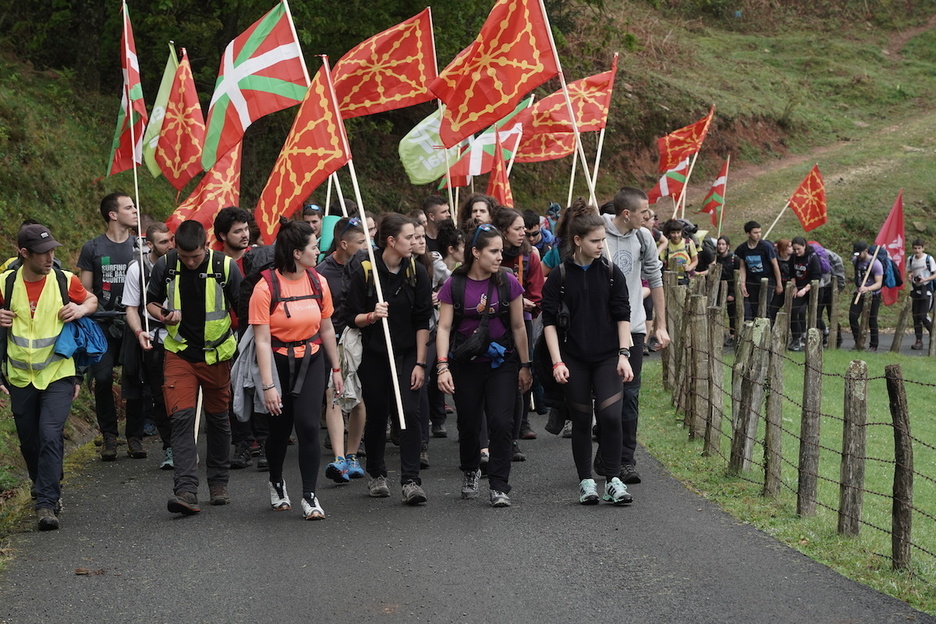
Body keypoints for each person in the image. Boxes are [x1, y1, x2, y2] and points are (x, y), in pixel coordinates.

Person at [0, 224, 97, 530]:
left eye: (53, 251)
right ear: (24, 253)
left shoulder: (63, 279)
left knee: (49, 434)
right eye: (43, 253)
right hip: (19, 376)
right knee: (29, 443)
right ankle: (42, 482)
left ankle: (46, 503)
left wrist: (79, 310)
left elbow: (92, 301)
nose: (50, 257)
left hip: (58, 371)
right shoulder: (6, 282)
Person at [541, 200, 635, 506]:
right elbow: (550, 323)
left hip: (608, 355)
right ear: (578, 240)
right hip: (573, 358)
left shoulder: (611, 273)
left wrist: (624, 354)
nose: (601, 246)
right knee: (581, 421)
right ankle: (586, 482)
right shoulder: (559, 276)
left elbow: (623, 314)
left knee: (610, 417)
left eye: (603, 240)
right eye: (595, 241)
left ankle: (613, 480)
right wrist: (557, 361)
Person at [146, 220, 243, 515]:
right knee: (182, 420)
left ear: (207, 246)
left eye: (196, 257)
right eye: (185, 256)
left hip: (216, 356)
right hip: (179, 353)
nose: (189, 262)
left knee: (217, 420)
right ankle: (186, 490)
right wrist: (164, 316)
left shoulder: (226, 267)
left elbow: (245, 309)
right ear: (175, 245)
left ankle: (218, 482)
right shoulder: (166, 265)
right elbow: (150, 303)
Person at [251, 221, 343, 520]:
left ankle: (309, 495)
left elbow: (327, 328)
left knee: (307, 426)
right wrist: (268, 386)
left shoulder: (318, 282)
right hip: (277, 362)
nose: (319, 252)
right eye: (314, 247)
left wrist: (337, 368)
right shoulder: (265, 287)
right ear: (295, 253)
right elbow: (261, 341)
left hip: (312, 358)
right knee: (279, 431)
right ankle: (277, 484)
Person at [435, 224, 532, 507]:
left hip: (501, 363)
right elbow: (443, 327)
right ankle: (470, 470)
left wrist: (525, 365)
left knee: (502, 422)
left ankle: (499, 485)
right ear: (475, 252)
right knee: (468, 422)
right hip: (466, 363)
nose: (500, 256)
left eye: (501, 251)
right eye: (493, 251)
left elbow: (518, 326)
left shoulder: (508, 282)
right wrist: (442, 366)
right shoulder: (455, 284)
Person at [343, 213, 433, 505]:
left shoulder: (417, 272)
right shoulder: (364, 270)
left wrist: (421, 363)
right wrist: (372, 315)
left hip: (407, 353)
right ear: (391, 241)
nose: (415, 242)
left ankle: (410, 480)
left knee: (410, 411)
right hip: (375, 354)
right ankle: (377, 474)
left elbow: (423, 320)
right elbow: (350, 318)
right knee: (378, 414)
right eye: (409, 237)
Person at [596, 187, 669, 485]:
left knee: (630, 395)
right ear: (627, 213)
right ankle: (604, 446)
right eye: (644, 213)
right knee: (602, 397)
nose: (649, 217)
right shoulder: (596, 229)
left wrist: (661, 324)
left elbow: (656, 278)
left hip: (634, 328)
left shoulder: (644, 238)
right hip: (600, 328)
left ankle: (625, 460)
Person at [78, 192, 141, 461]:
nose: (135, 211)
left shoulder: (140, 247)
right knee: (102, 379)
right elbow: (84, 291)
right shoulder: (92, 248)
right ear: (113, 214)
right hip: (102, 325)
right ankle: (109, 436)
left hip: (132, 322)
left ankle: (135, 436)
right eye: (129, 207)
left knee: (135, 378)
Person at [316, 217, 368, 481]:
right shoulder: (322, 272)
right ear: (343, 243)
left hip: (358, 339)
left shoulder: (367, 266)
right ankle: (338, 459)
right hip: (332, 340)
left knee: (358, 398)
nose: (365, 246)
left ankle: (352, 454)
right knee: (333, 395)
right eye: (361, 242)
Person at [123, 222, 175, 470]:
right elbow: (131, 308)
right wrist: (138, 332)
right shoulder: (137, 269)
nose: (170, 245)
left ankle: (186, 444)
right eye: (164, 242)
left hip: (184, 337)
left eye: (171, 240)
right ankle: (170, 447)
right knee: (160, 395)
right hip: (153, 337)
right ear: (150, 245)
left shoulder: (181, 262)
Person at [493, 207, 544, 449]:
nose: (523, 233)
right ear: (503, 232)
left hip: (521, 321)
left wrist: (522, 302)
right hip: (492, 320)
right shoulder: (489, 254)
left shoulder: (530, 256)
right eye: (517, 229)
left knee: (523, 370)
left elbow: (536, 297)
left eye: (524, 228)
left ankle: (520, 424)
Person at [213, 206, 258, 469]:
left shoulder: (258, 258)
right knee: (234, 388)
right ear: (222, 235)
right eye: (237, 231)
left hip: (257, 331)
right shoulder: (215, 262)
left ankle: (262, 441)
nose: (244, 235)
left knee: (260, 385)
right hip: (225, 334)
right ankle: (242, 443)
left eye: (246, 229)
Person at [427, 220, 464, 439]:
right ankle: (437, 418)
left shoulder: (463, 271)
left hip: (456, 328)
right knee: (435, 371)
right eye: (463, 247)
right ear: (452, 249)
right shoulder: (435, 264)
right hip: (437, 326)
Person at [736, 220, 783, 322]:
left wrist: (779, 283)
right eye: (755, 232)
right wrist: (743, 283)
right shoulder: (742, 249)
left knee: (764, 307)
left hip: (767, 279)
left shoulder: (766, 247)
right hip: (752, 280)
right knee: (754, 308)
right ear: (748, 234)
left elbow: (775, 265)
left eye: (759, 232)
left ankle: (767, 332)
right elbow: (742, 266)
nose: (758, 235)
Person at [848, 240, 883, 352]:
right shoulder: (855, 261)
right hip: (859, 293)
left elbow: (879, 283)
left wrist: (867, 288)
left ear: (865, 251)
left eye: (859, 254)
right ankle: (859, 342)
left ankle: (873, 345)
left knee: (872, 320)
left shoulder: (875, 264)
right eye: (855, 254)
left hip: (873, 295)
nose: (857, 256)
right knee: (852, 317)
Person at [788, 237, 821, 351]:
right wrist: (794, 286)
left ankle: (817, 337)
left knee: (815, 314)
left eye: (799, 249)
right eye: (794, 249)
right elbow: (791, 273)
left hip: (812, 288)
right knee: (794, 311)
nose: (797, 252)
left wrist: (805, 289)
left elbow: (816, 277)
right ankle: (796, 338)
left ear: (804, 246)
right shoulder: (793, 257)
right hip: (799, 287)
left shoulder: (813, 257)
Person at [907, 239, 936, 350]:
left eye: (919, 248)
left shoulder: (928, 259)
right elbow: (910, 271)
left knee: (923, 316)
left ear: (923, 248)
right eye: (915, 248)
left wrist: (925, 279)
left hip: (926, 289)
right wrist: (910, 276)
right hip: (915, 289)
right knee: (915, 317)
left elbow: (935, 274)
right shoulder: (910, 259)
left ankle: (933, 335)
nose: (917, 250)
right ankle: (918, 340)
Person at [715, 235, 741, 345]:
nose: (721, 246)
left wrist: (733, 293)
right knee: (717, 312)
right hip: (718, 288)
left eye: (723, 244)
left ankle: (733, 335)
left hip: (731, 288)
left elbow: (738, 277)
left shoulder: (735, 259)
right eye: (719, 244)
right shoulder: (716, 258)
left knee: (732, 313)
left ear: (728, 246)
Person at [659, 219, 697, 285]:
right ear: (669, 233)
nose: (676, 235)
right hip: (670, 280)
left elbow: (695, 260)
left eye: (678, 232)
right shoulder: (665, 245)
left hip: (686, 277)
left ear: (681, 232)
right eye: (673, 233)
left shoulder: (688, 243)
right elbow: (662, 262)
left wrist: (689, 267)